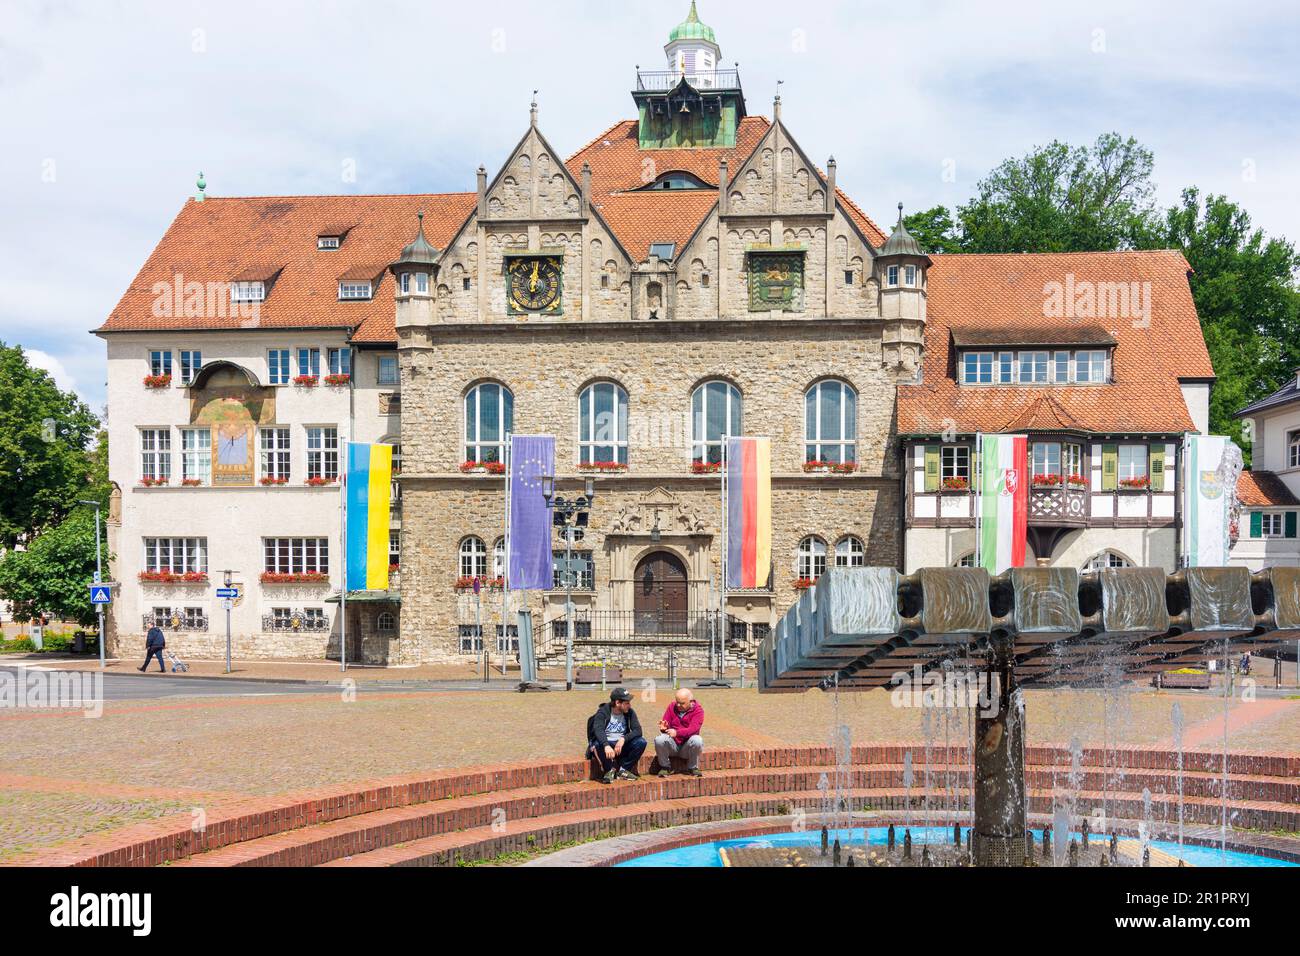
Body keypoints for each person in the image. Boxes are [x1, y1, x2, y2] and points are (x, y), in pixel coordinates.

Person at [587, 687, 647, 784]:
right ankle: (609, 770)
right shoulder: (603, 712)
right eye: (627, 703)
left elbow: (638, 730)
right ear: (617, 703)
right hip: (607, 744)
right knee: (598, 744)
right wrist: (606, 745)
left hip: (621, 745)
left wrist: (623, 738)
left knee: (641, 742)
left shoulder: (630, 712)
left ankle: (623, 770)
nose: (629, 705)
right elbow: (598, 730)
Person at [655, 688, 705, 777]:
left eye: (682, 703)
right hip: (672, 745)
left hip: (687, 747)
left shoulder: (698, 710)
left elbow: (693, 729)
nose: (678, 705)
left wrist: (677, 733)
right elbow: (666, 724)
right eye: (677, 702)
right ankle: (665, 767)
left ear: (691, 701)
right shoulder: (672, 706)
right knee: (659, 739)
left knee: (697, 740)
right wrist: (664, 727)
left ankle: (693, 767)